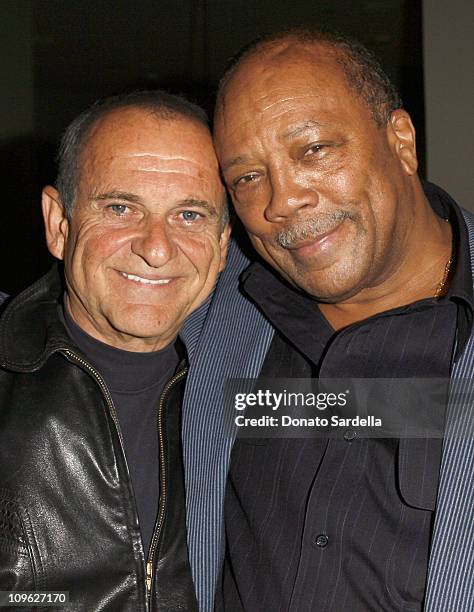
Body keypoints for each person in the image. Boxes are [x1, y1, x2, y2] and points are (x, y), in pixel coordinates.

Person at [210, 30, 474, 611]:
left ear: (400, 141)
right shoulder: (213, 308)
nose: (282, 201)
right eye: (248, 177)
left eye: (313, 150)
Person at [0, 90, 231, 611]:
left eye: (190, 215)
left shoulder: (261, 387)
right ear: (60, 223)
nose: (155, 247)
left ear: (221, 247)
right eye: (121, 207)